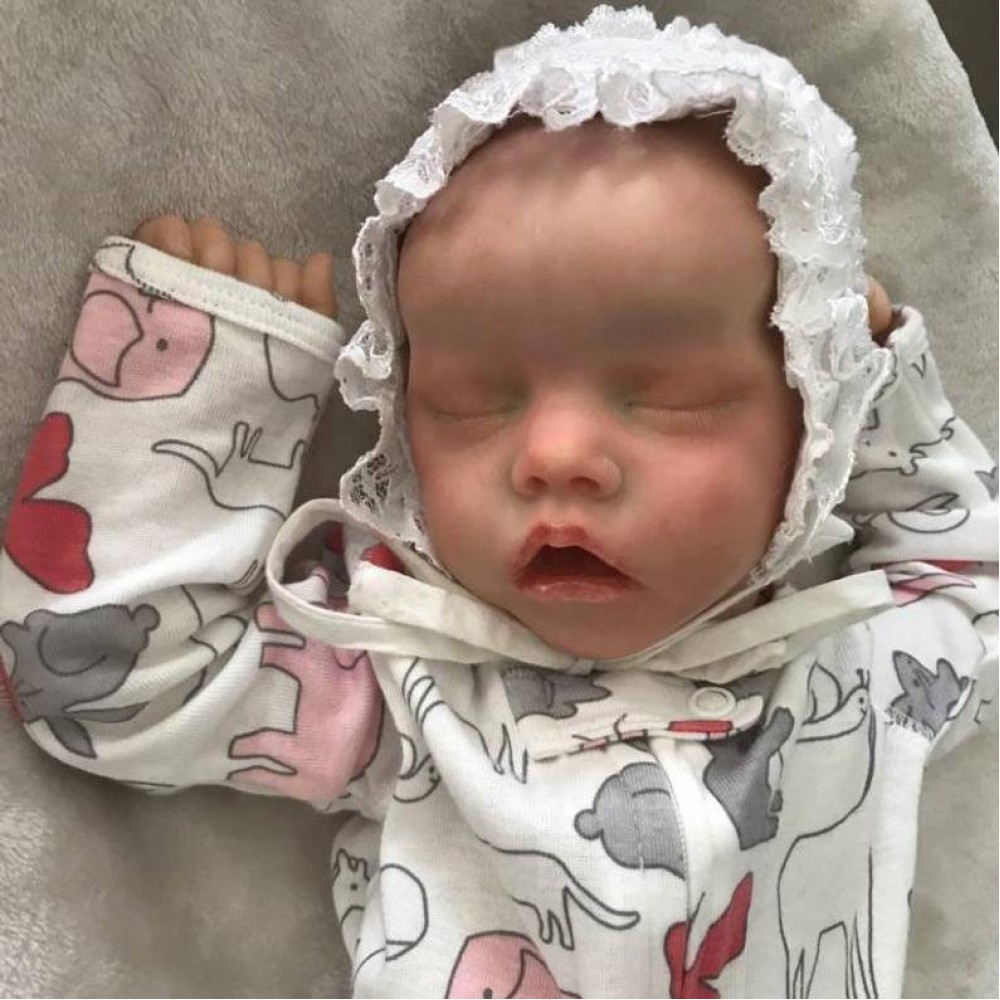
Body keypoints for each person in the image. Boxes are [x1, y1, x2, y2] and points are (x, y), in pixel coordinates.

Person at [0, 7, 994, 998]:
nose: (552, 456)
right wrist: (206, 385)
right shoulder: (411, 687)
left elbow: (975, 583)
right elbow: (99, 681)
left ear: (812, 429)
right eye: (471, 403)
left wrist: (877, 392)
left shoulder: (855, 675)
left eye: (666, 395)